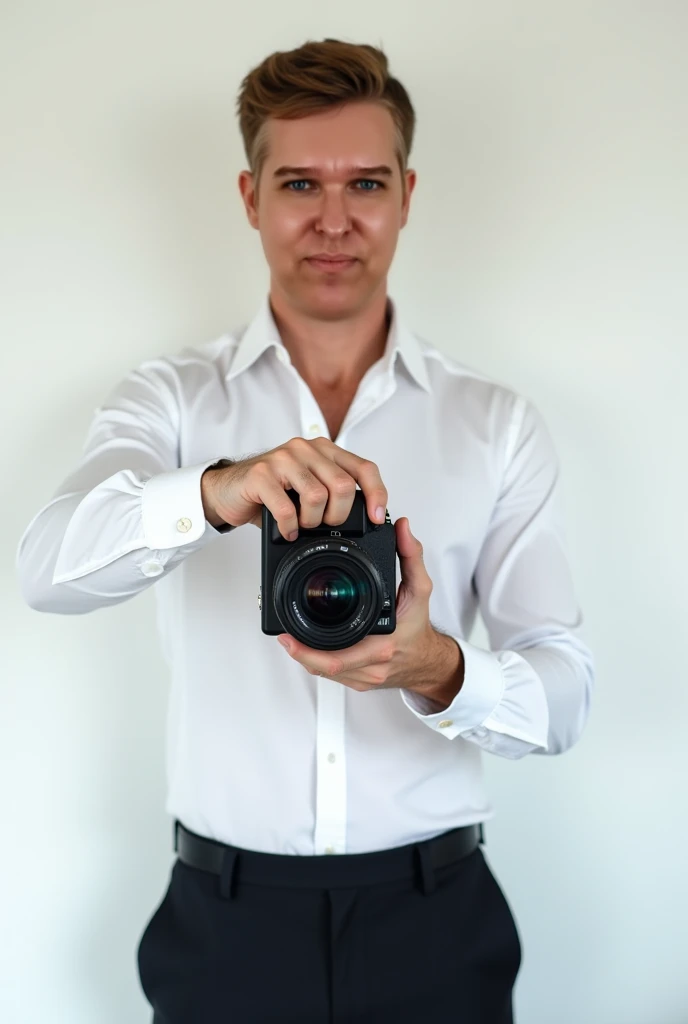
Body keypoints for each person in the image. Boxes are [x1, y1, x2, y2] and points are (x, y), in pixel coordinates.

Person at [16, 37, 595, 1024]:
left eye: (364, 181)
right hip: (225, 921)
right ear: (250, 196)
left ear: (407, 193)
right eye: (299, 183)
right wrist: (214, 490)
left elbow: (565, 690)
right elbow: (46, 567)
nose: (333, 219)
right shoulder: (173, 401)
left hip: (436, 917)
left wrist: (438, 668)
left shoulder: (491, 422)